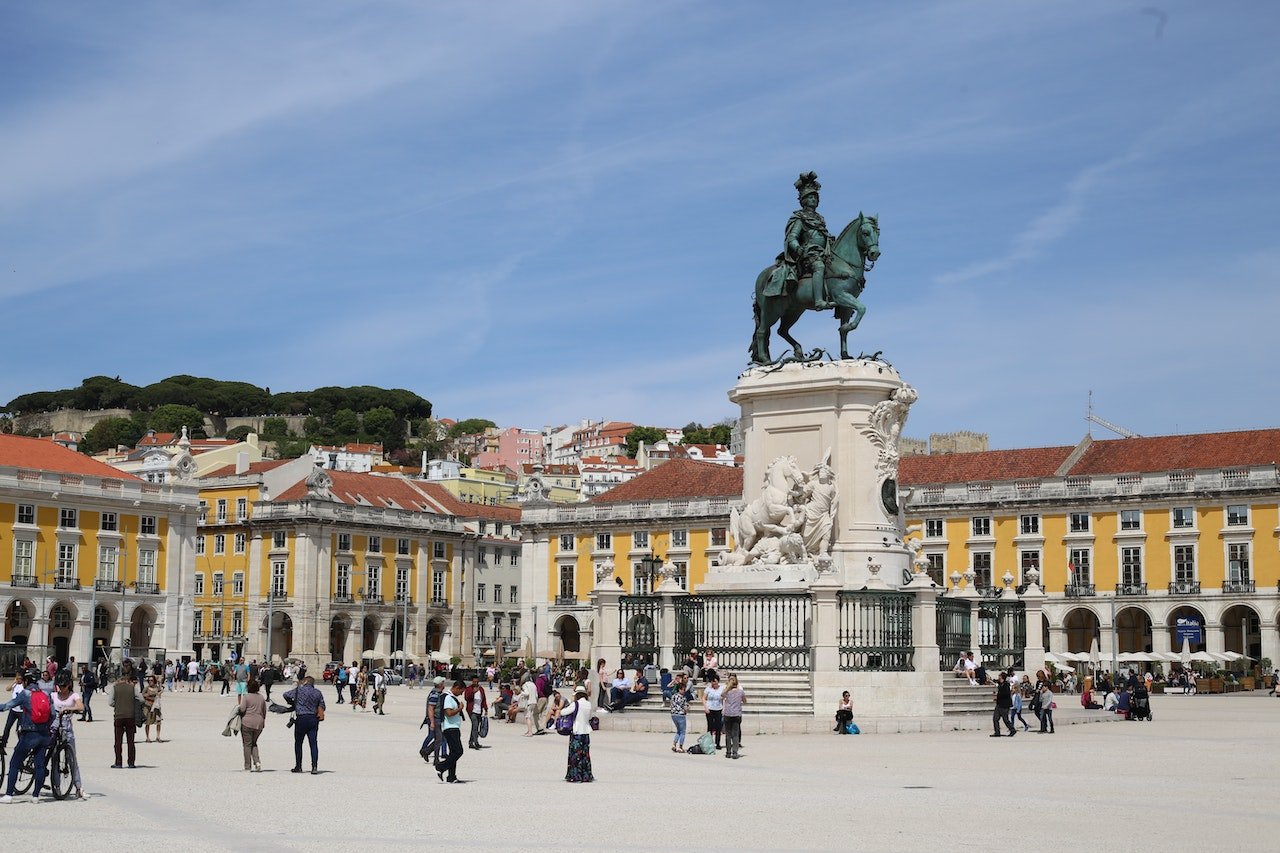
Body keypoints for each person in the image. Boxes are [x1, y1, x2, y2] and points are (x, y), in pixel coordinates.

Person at [0, 670, 53, 803]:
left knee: (15, 763)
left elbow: (8, 706)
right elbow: (53, 714)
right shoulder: (46, 694)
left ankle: (8, 795)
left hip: (29, 734)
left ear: (26, 681)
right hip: (44, 734)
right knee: (40, 765)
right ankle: (35, 796)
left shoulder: (25, 694)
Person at [50, 670, 85, 799]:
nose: (62, 688)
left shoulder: (73, 695)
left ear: (69, 684)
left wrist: (69, 709)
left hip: (67, 729)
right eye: (59, 686)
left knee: (71, 758)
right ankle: (57, 786)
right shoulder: (53, 695)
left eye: (64, 686)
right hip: (54, 728)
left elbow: (81, 707)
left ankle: (78, 787)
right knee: (55, 758)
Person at [282, 675, 325, 775]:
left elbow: (285, 694)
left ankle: (298, 765)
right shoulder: (317, 692)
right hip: (313, 719)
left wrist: (293, 703)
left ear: (305, 682)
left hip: (301, 718)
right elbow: (322, 705)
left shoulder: (298, 690)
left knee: (298, 743)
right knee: (313, 743)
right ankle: (314, 766)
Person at [108, 662, 143, 768]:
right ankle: (131, 763)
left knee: (118, 741)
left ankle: (118, 762)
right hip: (130, 716)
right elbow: (141, 699)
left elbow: (110, 702)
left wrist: (118, 705)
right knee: (130, 741)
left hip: (119, 716)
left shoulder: (115, 687)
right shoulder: (132, 688)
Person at [434, 681, 466, 783]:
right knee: (458, 751)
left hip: (454, 727)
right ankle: (440, 767)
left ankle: (451, 777)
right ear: (456, 687)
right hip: (450, 728)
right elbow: (448, 713)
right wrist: (459, 709)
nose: (461, 694)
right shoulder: (448, 697)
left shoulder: (451, 697)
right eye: (461, 691)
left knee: (453, 753)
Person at [562, 683, 593, 783]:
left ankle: (575, 775)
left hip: (577, 731)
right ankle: (586, 774)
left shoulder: (576, 704)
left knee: (576, 755)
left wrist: (571, 701)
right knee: (585, 754)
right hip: (586, 731)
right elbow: (590, 717)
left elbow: (563, 712)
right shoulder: (588, 704)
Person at [238, 678, 267, 772]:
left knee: (247, 744)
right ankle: (257, 761)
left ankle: (247, 766)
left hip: (247, 722)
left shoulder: (246, 697)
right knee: (254, 743)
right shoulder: (261, 697)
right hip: (259, 723)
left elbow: (242, 709)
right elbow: (264, 712)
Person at [420, 676, 447, 761]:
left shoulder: (437, 693)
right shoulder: (435, 694)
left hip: (436, 719)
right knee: (438, 739)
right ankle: (427, 752)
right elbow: (430, 708)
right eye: (443, 682)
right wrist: (432, 722)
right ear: (440, 684)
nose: (444, 684)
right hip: (435, 719)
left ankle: (429, 753)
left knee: (438, 739)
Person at [722, 674, 745, 759]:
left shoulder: (726, 692)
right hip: (736, 714)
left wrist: (727, 687)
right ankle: (735, 752)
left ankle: (728, 752)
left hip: (727, 713)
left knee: (728, 734)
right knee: (735, 734)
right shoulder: (740, 691)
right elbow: (745, 700)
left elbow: (722, 696)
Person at [669, 672, 693, 753]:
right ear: (680, 689)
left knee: (678, 731)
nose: (684, 691)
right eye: (683, 689)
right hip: (681, 715)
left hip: (673, 714)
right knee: (682, 732)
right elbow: (685, 707)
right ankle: (680, 746)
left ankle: (674, 744)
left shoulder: (673, 696)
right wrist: (688, 708)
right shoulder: (682, 698)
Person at [464, 675, 488, 748]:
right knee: (475, 725)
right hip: (472, 710)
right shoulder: (469, 689)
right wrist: (473, 692)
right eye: (474, 681)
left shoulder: (481, 689)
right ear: (472, 681)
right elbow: (466, 698)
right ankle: (475, 742)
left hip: (479, 710)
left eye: (477, 681)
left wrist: (485, 708)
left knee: (475, 726)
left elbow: (483, 699)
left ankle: (471, 742)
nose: (476, 682)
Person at [990, 672, 1016, 737]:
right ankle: (997, 732)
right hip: (999, 704)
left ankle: (1012, 730)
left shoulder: (1006, 685)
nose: (998, 677)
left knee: (1005, 719)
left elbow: (1006, 694)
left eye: (999, 676)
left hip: (1004, 705)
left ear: (1002, 677)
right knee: (995, 718)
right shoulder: (1001, 684)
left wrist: (998, 696)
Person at [703, 673, 725, 750]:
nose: (713, 683)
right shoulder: (708, 689)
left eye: (715, 682)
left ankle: (717, 743)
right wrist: (706, 707)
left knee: (718, 727)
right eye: (712, 682)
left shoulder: (722, 688)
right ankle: (709, 743)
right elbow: (704, 698)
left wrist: (723, 708)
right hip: (710, 708)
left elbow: (724, 698)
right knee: (710, 726)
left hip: (718, 708)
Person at [142, 674, 164, 743]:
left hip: (156, 706)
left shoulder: (157, 688)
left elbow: (161, 691)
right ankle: (147, 737)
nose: (150, 681)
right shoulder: (146, 688)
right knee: (148, 722)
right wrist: (150, 695)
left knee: (158, 722)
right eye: (149, 680)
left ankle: (158, 737)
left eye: (151, 680)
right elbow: (143, 695)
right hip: (148, 706)